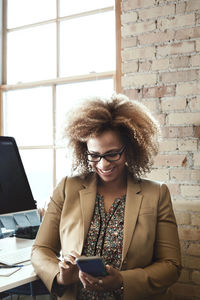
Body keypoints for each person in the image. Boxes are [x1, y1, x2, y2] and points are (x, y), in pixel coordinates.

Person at [31, 94, 182, 300]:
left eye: (112, 154)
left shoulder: (156, 194)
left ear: (129, 150)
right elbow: (41, 249)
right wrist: (60, 276)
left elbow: (171, 266)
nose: (103, 165)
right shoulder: (68, 188)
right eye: (94, 155)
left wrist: (122, 281)